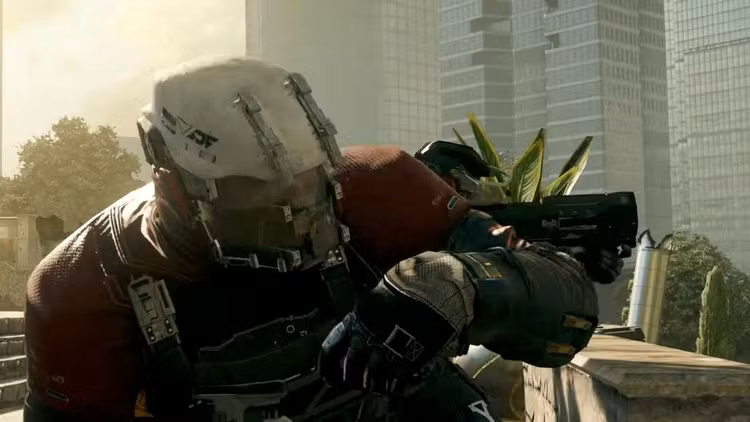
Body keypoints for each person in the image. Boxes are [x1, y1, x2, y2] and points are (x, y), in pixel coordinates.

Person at [24, 56, 623, 422]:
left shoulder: (374, 184)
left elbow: (566, 311)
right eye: (260, 199)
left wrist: (466, 282)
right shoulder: (83, 285)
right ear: (170, 177)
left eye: (314, 184)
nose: (304, 218)